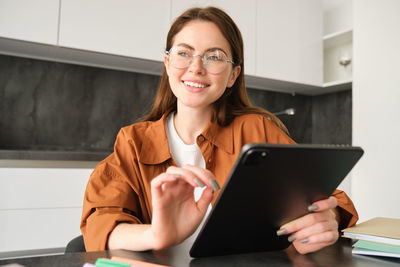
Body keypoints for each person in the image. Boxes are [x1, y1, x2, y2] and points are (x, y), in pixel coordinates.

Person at [81, 6, 358, 255]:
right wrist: (156, 234)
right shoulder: (133, 141)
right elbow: (101, 220)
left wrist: (328, 218)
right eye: (183, 53)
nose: (196, 67)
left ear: (233, 75)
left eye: (214, 57)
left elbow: (324, 196)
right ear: (167, 63)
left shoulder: (257, 129)